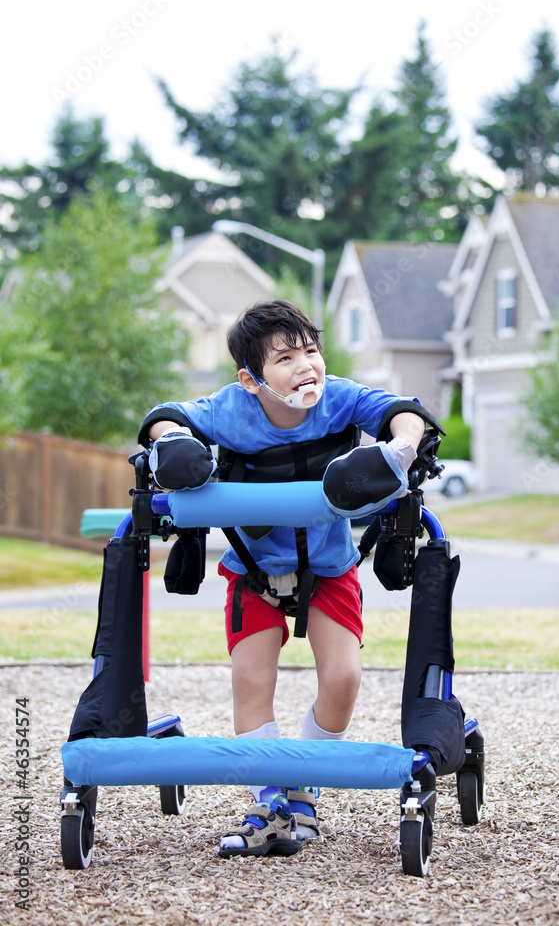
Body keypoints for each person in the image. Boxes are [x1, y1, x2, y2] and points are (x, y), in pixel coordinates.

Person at [138, 299, 438, 858]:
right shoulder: (232, 410)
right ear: (251, 380)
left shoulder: (340, 399)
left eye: (311, 350)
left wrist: (400, 446)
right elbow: (165, 415)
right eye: (286, 358)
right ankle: (270, 797)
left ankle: (303, 784)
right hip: (253, 569)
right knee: (252, 679)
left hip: (329, 566)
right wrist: (170, 443)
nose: (306, 366)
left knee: (344, 678)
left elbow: (404, 408)